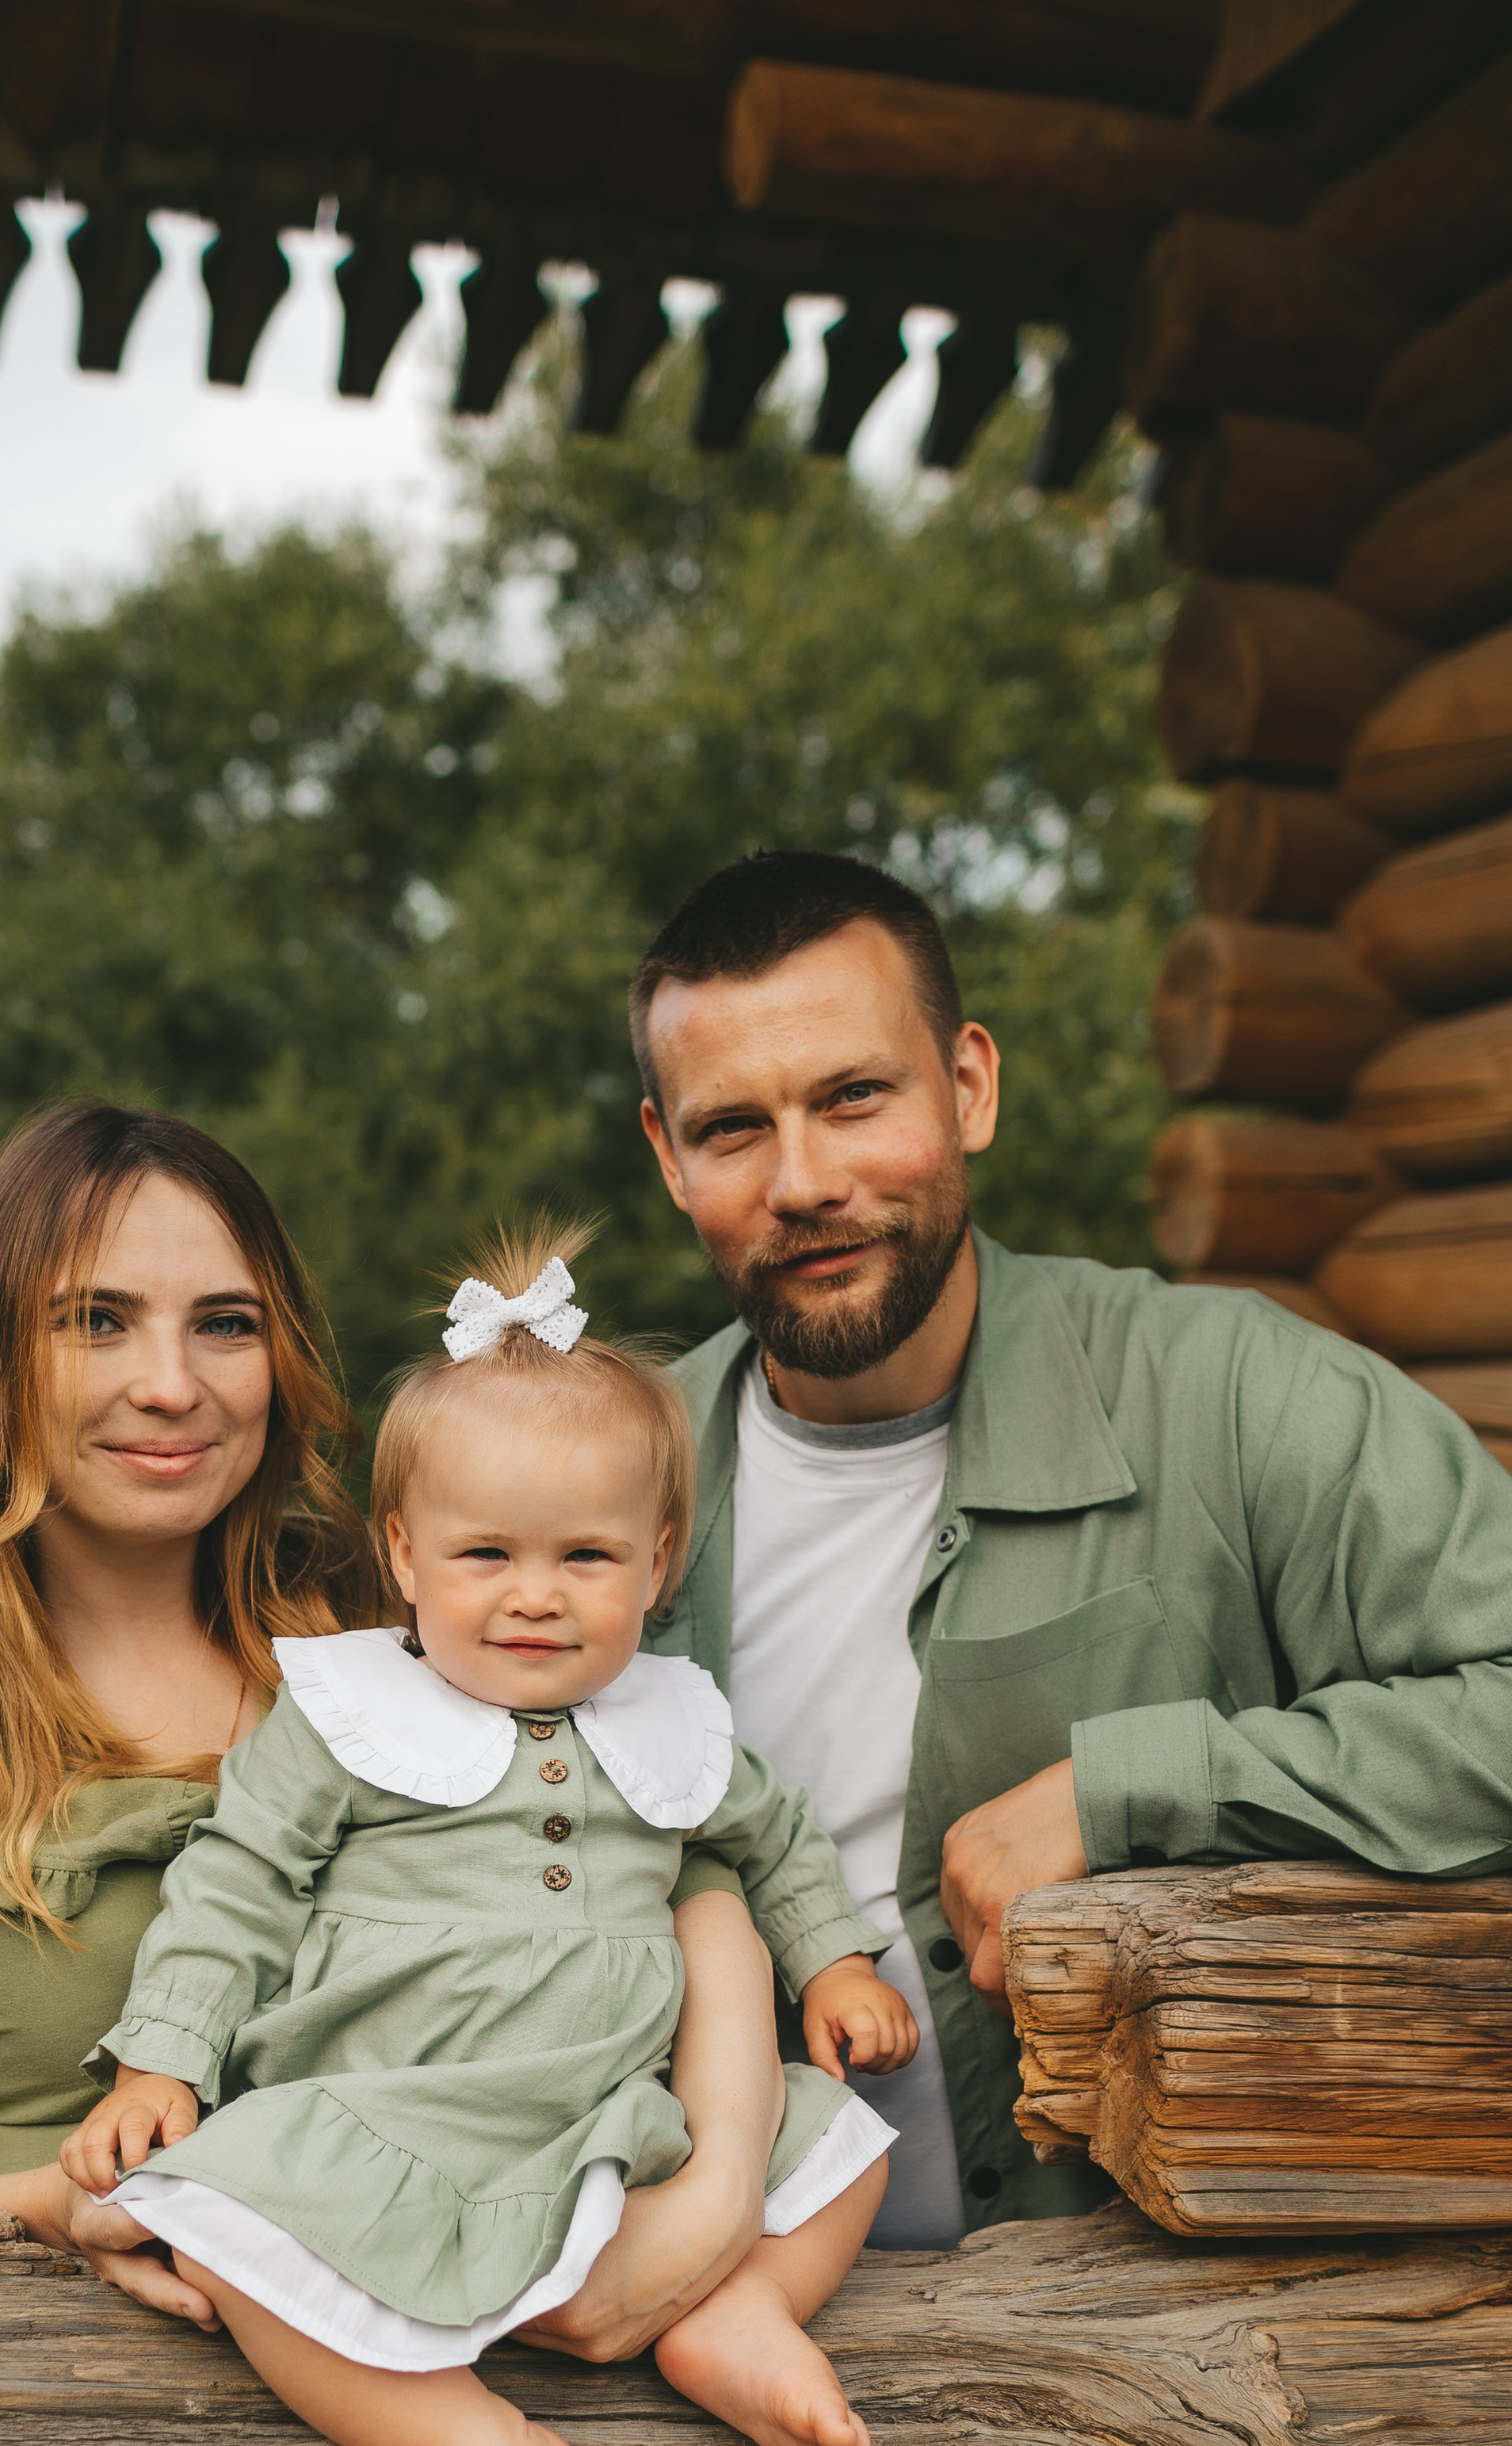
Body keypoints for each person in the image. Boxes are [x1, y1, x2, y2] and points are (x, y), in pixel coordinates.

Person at [0, 1105, 814, 2362]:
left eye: (226, 1323)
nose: (172, 1386)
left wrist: (712, 2190)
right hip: (56, 2419)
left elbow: (668, 1854)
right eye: (95, 1320)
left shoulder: (418, 1627)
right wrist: (65, 2205)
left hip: (525, 2332)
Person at [628, 848, 1512, 2249]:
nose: (802, 1180)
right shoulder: (600, 1476)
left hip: (1146, 2366)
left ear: (968, 1086)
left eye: (855, 1097)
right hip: (692, 2364)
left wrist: (1135, 1791)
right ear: (669, 1158)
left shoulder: (1235, 1394)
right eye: (733, 1128)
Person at [61, 1228, 910, 2446]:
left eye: (586, 1556)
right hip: (399, 2103)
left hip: (620, 2108)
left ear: (661, 1557)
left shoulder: (674, 1721)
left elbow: (769, 1844)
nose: (535, 1595)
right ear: (401, 1555)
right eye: (485, 1556)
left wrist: (832, 1965)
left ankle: (741, 2319)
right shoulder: (343, 1718)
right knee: (244, 2235)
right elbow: (236, 1886)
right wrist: (165, 2057)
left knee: (846, 2151)